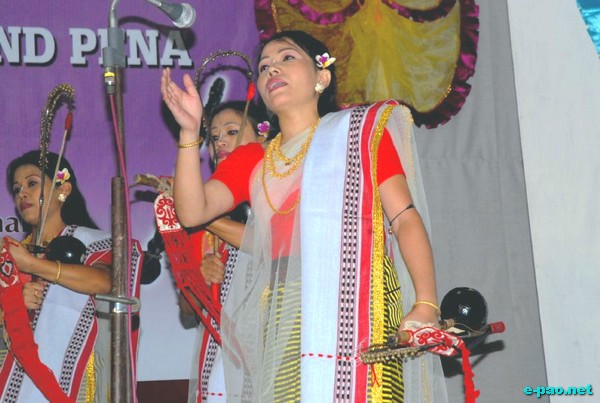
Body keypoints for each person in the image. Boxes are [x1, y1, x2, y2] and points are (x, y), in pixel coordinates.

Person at [161, 30, 447, 402]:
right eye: (264, 66)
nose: (272, 69)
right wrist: (188, 132)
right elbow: (192, 212)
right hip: (284, 302)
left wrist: (426, 303)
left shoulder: (356, 136)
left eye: (287, 58)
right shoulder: (254, 159)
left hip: (361, 295)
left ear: (321, 76)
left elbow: (404, 219)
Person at [0, 151, 140, 402]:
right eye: (17, 188)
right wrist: (13, 305)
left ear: (63, 189)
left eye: (32, 183)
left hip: (77, 381)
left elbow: (106, 282)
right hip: (14, 380)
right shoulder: (9, 256)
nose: (22, 194)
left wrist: (34, 265)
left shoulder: (92, 241)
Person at [173, 100, 269, 402]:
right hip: (221, 351)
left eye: (231, 131)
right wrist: (199, 279)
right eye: (214, 137)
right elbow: (187, 309)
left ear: (263, 134)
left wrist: (205, 218)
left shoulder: (276, 191)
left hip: (275, 336)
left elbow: (272, 243)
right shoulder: (196, 216)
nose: (221, 142)